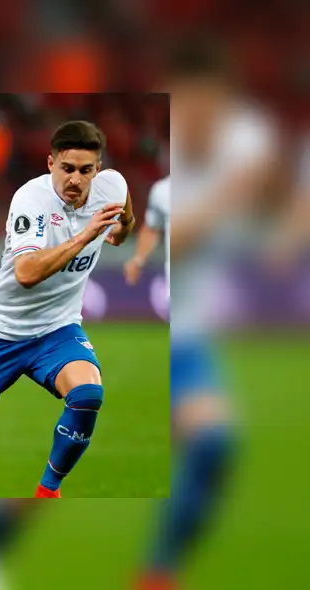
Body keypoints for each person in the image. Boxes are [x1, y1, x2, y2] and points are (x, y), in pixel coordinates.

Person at [0, 120, 135, 498]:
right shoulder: (31, 200)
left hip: (57, 329)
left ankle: (48, 493)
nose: (75, 179)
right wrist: (87, 235)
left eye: (85, 170)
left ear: (98, 169)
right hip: (0, 331)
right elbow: (26, 273)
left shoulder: (112, 186)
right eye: (67, 168)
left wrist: (121, 231)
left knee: (87, 394)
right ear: (51, 163)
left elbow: (125, 216)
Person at [134, 42, 277, 590]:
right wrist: (226, 198)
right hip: (126, 334)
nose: (199, 117)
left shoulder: (247, 139)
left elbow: (273, 189)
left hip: (185, 337)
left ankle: (158, 572)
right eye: (188, 105)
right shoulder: (148, 158)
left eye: (210, 106)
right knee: (46, 480)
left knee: (213, 442)